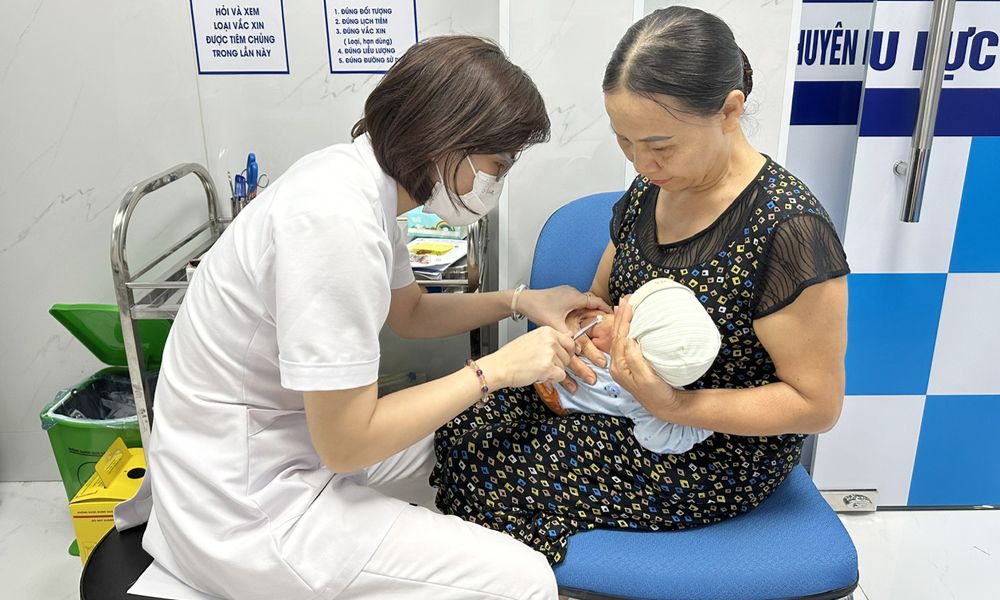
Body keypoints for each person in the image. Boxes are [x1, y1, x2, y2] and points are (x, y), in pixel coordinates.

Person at [114, 36, 609, 600]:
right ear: (445, 143)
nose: (499, 181)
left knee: (464, 445)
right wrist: (495, 369)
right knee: (525, 582)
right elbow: (347, 444)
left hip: (286, 443)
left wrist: (521, 301)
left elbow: (412, 313)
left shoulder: (360, 186)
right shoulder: (334, 224)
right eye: (498, 164)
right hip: (251, 509)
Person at [432, 6, 850, 564]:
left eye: (660, 143)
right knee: (462, 427)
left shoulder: (789, 231)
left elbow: (816, 405)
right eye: (624, 142)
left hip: (710, 447)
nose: (641, 161)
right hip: (618, 401)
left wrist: (674, 404)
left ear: (729, 111)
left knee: (489, 468)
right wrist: (585, 334)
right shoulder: (648, 194)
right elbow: (600, 299)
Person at [534, 277, 720, 454]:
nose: (623, 302)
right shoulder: (651, 400)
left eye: (631, 309)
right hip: (548, 377)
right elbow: (655, 438)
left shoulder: (647, 397)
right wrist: (704, 426)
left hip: (556, 394)